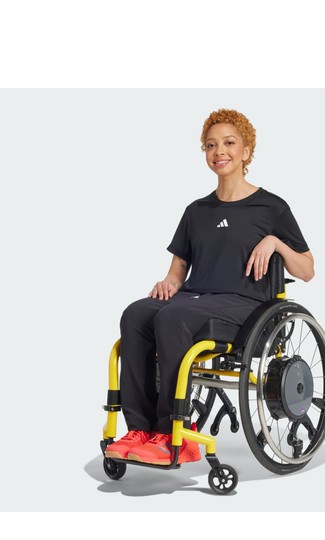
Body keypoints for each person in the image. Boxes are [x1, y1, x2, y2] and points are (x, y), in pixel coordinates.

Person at [105, 108, 314, 466]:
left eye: (229, 143)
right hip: (194, 297)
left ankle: (174, 433)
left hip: (245, 306)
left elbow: (307, 269)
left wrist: (276, 243)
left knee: (174, 317)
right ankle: (140, 430)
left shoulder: (272, 208)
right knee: (136, 314)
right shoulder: (196, 211)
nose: (220, 151)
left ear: (246, 151)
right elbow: (177, 273)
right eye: (211, 145)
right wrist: (168, 283)